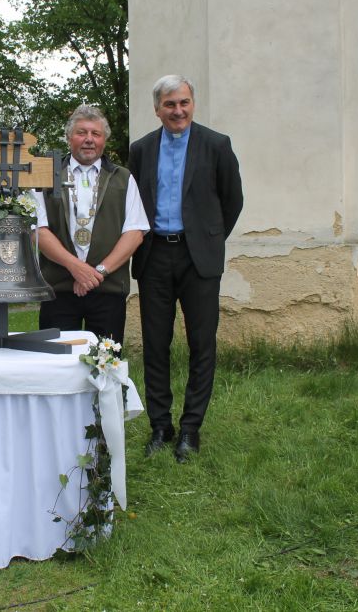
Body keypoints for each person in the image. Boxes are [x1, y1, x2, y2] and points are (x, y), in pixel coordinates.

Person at [128, 75, 244, 463]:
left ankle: (190, 429)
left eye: (184, 103)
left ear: (192, 103)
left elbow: (232, 200)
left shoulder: (216, 145)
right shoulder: (141, 149)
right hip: (154, 256)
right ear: (157, 109)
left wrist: (208, 238)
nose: (178, 111)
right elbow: (134, 203)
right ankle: (160, 427)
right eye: (169, 104)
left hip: (199, 260)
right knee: (155, 344)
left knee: (201, 344)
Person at [33, 104, 148, 345]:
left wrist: (97, 273)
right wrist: (76, 267)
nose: (89, 139)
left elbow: (135, 232)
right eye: (81, 132)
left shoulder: (123, 178)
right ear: (68, 137)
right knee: (58, 361)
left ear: (104, 140)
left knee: (106, 362)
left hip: (108, 290)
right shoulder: (46, 176)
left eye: (96, 134)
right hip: (59, 289)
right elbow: (38, 230)